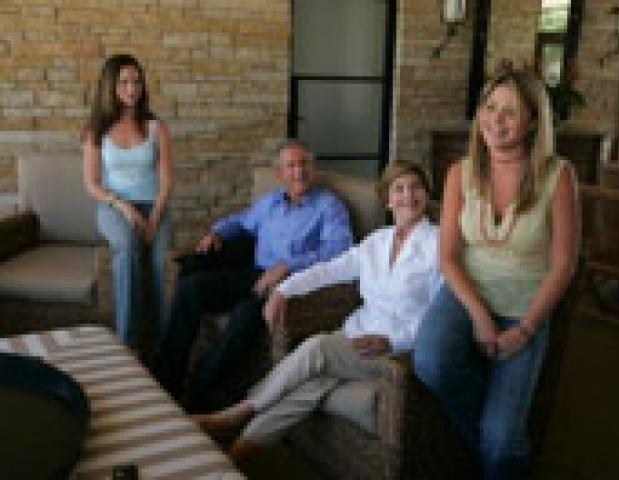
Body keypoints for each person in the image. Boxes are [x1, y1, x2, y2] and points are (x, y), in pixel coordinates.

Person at [192, 160, 443, 462]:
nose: (408, 196)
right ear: (387, 200)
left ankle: (236, 414)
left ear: (427, 195)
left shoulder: (439, 245)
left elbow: (441, 317)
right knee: (310, 384)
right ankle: (241, 452)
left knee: (316, 348)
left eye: (416, 187)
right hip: (357, 336)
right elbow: (329, 270)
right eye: (399, 188)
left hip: (397, 351)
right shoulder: (378, 242)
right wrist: (285, 289)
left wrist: (395, 341)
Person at [412, 66, 579, 479]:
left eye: (510, 112)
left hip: (527, 308)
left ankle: (497, 446)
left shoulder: (560, 176)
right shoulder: (460, 172)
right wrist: (480, 318)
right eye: (489, 108)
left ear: (533, 122)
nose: (495, 121)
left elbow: (564, 265)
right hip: (466, 294)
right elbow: (448, 257)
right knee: (429, 360)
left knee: (503, 440)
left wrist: (524, 329)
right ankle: (492, 437)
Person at [153, 139, 353, 413]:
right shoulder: (271, 201)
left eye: (304, 163)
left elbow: (340, 251)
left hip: (288, 286)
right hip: (253, 275)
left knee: (245, 316)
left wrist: (288, 266)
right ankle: (166, 380)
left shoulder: (328, 206)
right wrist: (218, 232)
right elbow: (242, 220)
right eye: (291, 165)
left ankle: (197, 393)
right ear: (279, 174)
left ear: (313, 167)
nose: (298, 171)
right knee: (191, 287)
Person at [83, 53, 172, 352]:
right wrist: (123, 206)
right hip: (113, 205)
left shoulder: (156, 127)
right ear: (110, 86)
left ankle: (159, 346)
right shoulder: (96, 130)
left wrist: (154, 218)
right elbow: (92, 184)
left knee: (159, 264)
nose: (131, 89)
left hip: (153, 206)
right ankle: (127, 343)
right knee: (128, 247)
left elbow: (166, 181)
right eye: (123, 82)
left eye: (136, 81)